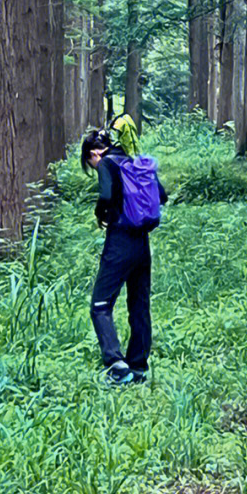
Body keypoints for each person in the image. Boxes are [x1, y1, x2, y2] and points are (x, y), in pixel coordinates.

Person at [81, 128, 167, 385]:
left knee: (100, 305)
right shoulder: (132, 161)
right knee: (139, 306)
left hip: (119, 241)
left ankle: (117, 366)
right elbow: (161, 195)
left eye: (90, 162)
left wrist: (100, 213)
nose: (94, 166)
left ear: (95, 152)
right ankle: (138, 367)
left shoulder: (107, 163)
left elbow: (106, 195)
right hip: (142, 243)